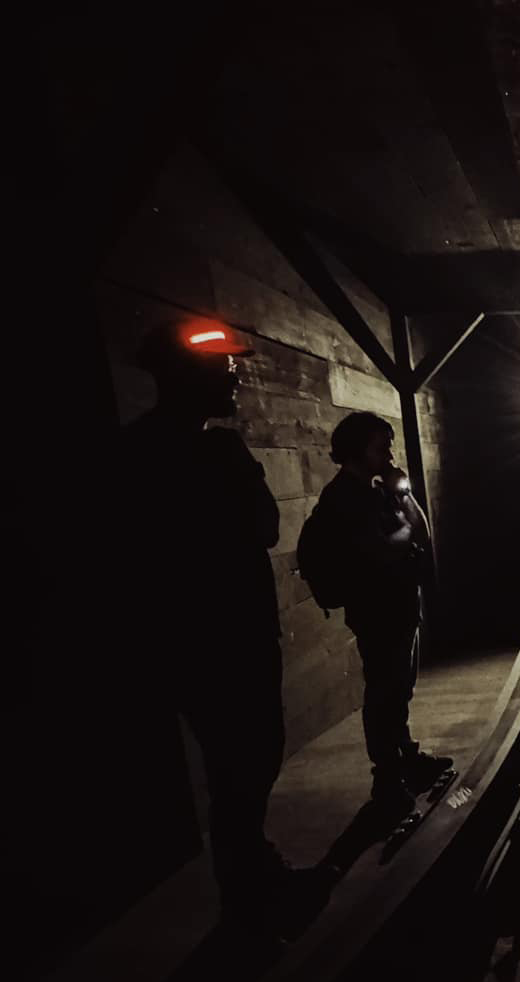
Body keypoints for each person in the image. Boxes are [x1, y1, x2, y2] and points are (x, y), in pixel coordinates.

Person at [118, 316, 310, 932]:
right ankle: (249, 897)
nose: (236, 382)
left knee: (236, 767)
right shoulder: (213, 450)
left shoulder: (131, 449)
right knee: (246, 764)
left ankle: (251, 880)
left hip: (186, 645)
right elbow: (262, 529)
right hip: (228, 640)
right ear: (186, 378)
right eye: (223, 373)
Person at [311, 412, 450, 807]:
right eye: (380, 447)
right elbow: (387, 547)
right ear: (357, 452)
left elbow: (419, 530)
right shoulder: (344, 498)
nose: (388, 454)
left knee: (399, 687)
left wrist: (403, 496)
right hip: (376, 611)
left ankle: (405, 757)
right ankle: (386, 779)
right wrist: (404, 533)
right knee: (384, 692)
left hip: (399, 604)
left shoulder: (375, 492)